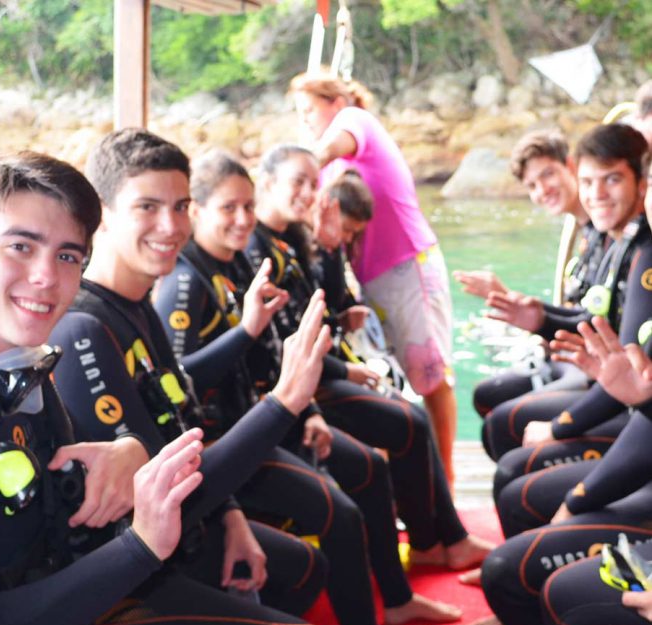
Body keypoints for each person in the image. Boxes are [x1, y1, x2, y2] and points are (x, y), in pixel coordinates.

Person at [0, 149, 355, 625]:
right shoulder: (68, 336)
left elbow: (78, 524)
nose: (46, 276)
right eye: (20, 247)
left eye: (68, 256)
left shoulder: (25, 373)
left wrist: (131, 458)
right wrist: (140, 544)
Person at [153, 146, 463, 625]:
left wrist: (308, 411)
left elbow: (271, 351)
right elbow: (179, 383)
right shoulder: (184, 283)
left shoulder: (233, 263)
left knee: (368, 469)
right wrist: (249, 340)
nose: (242, 219)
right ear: (197, 210)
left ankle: (394, 602)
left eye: (247, 207)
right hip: (223, 446)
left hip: (265, 422)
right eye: (229, 208)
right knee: (341, 512)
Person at [246, 143, 492, 570]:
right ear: (266, 183)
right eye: (297, 182)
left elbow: (324, 305)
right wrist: (345, 370)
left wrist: (328, 249)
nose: (308, 192)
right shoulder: (255, 248)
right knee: (407, 423)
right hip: (296, 387)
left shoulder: (290, 237)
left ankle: (442, 540)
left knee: (410, 416)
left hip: (314, 373)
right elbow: (279, 342)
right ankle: (435, 544)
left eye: (313, 183)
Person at [289, 70, 457, 489]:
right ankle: (424, 480)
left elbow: (326, 148)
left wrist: (298, 170)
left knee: (431, 376)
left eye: (309, 109)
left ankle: (447, 483)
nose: (305, 119)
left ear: (335, 102)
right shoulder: (337, 169)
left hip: (407, 266)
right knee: (406, 374)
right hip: (374, 279)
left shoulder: (355, 122)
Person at [488, 124, 651, 511]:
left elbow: (628, 378)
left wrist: (560, 430)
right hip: (633, 415)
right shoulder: (617, 238)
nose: (597, 194)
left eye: (612, 180)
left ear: (641, 183)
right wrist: (539, 319)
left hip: (634, 423)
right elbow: (599, 323)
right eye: (589, 182)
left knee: (515, 480)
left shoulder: (644, 252)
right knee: (507, 446)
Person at [454, 129, 600, 423]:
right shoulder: (587, 232)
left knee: (503, 421)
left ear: (571, 165)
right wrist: (507, 299)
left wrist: (539, 320)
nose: (542, 190)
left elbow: (599, 319)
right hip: (569, 355)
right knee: (486, 395)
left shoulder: (606, 228)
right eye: (532, 185)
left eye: (548, 175)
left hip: (594, 368)